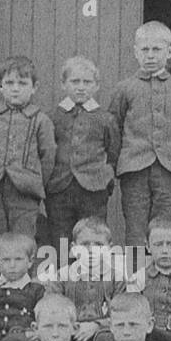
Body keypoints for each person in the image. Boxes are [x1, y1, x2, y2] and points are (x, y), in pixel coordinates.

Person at [0, 55, 57, 281]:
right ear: (0, 86)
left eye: (22, 84)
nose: (15, 89)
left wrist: (33, 182)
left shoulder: (41, 120)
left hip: (25, 193)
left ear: (34, 87)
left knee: (23, 241)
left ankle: (23, 290)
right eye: (9, 84)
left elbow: (48, 156)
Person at [110, 22, 171, 246]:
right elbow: (114, 129)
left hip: (170, 169)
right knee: (135, 229)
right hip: (134, 169)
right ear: (136, 52)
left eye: (157, 49)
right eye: (145, 50)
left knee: (166, 227)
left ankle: (162, 278)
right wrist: (116, 165)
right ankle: (135, 278)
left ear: (170, 52)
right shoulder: (124, 89)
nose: (151, 55)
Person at [46, 55, 119, 245]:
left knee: (93, 235)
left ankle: (90, 274)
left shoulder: (105, 118)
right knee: (60, 238)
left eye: (87, 82)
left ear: (96, 86)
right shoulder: (53, 116)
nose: (81, 87)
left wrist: (106, 177)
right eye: (75, 81)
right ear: (63, 84)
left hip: (93, 189)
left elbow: (113, 152)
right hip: (60, 187)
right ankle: (63, 274)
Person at [38, 215, 123, 341]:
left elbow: (123, 313)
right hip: (69, 331)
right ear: (74, 248)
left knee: (108, 340)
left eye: (99, 245)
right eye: (84, 244)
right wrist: (71, 327)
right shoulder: (61, 276)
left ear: (110, 248)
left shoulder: (117, 277)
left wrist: (96, 326)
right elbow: (50, 308)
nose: (91, 250)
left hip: (102, 332)